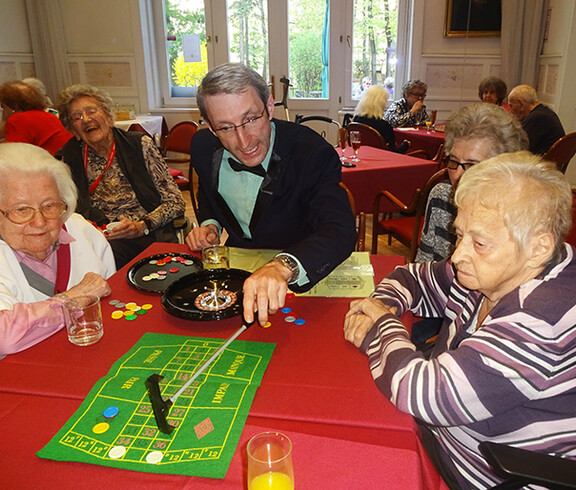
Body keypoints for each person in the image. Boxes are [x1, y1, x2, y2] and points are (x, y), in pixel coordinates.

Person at [344, 152, 576, 489]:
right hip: (443, 440)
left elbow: (420, 392)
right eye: (459, 235)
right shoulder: (497, 269)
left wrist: (381, 323)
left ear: (539, 248)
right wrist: (379, 305)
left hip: (482, 474)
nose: (458, 255)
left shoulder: (543, 320)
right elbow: (412, 278)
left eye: (479, 242)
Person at [185, 63, 356, 326]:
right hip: (238, 277)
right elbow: (208, 194)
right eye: (226, 128)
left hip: (300, 278)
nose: (244, 142)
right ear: (209, 127)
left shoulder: (312, 153)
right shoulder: (202, 147)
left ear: (269, 106)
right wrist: (211, 224)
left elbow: (340, 229)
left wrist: (282, 266)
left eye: (251, 119)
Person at [0, 143, 115, 357]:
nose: (39, 221)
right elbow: (4, 337)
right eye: (22, 210)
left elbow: (111, 304)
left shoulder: (81, 231)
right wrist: (73, 299)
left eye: (49, 206)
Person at [57, 84, 186, 269]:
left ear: (109, 118)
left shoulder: (139, 145)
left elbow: (175, 202)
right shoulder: (68, 156)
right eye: (76, 117)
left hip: (147, 233)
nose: (85, 119)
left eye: (91, 111)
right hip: (98, 237)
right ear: (73, 130)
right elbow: (65, 207)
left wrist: (142, 225)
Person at [416, 103, 528, 264]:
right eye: (453, 161)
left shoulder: (520, 214)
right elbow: (423, 265)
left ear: (504, 166)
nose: (458, 175)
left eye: (472, 165)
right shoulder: (442, 195)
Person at [0, 80, 73, 155]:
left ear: (13, 107)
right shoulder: (48, 115)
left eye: (3, 107)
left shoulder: (18, 119)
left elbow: (12, 155)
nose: (3, 112)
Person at [508, 84, 565, 155]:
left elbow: (519, 147)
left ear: (521, 104)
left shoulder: (537, 118)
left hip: (541, 163)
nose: (510, 111)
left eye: (511, 106)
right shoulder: (545, 112)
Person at [353, 85, 408, 153]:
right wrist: (405, 145)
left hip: (361, 155)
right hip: (382, 158)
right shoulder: (384, 126)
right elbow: (393, 153)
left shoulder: (356, 120)